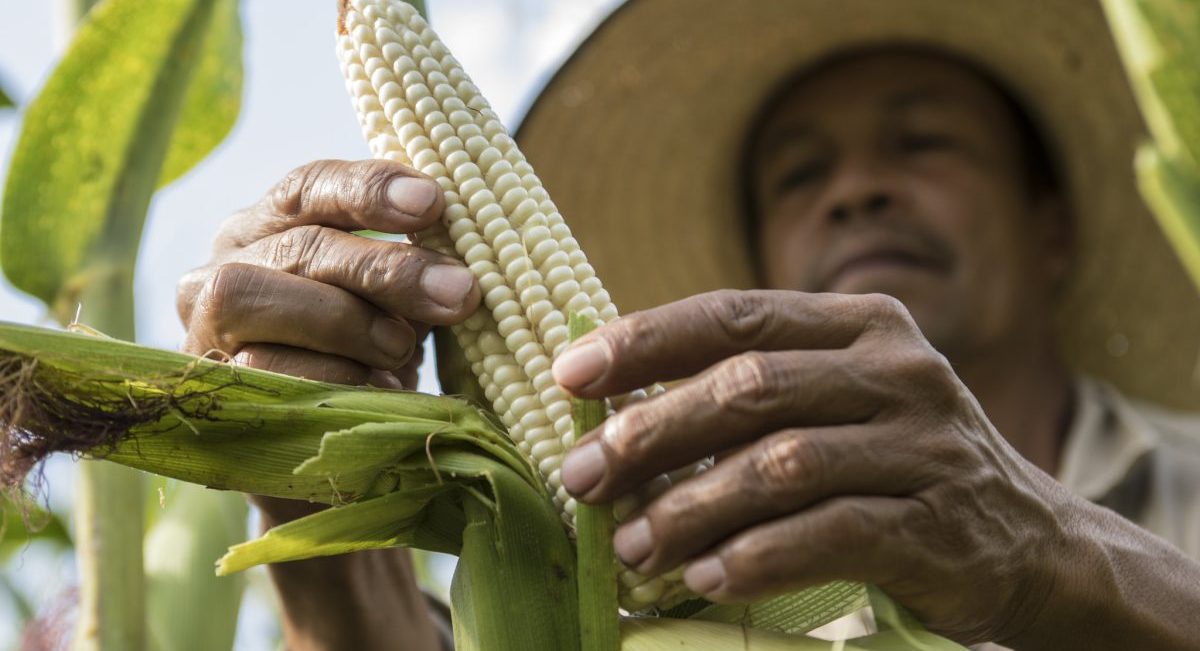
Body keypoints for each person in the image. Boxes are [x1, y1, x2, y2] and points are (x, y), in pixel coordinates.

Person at [175, 1, 1200, 649]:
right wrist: (317, 513)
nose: (855, 194)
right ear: (759, 273)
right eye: (802, 176)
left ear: (1053, 226)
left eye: (921, 143)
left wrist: (1042, 549)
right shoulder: (628, 561)